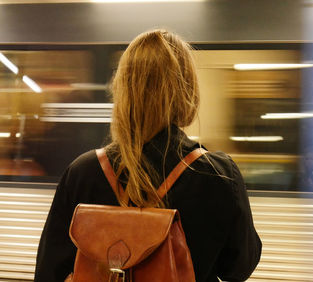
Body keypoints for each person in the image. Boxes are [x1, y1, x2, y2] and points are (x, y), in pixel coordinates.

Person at [34, 29, 262, 282]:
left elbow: (48, 271)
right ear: (187, 92)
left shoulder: (83, 172)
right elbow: (239, 267)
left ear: (123, 91)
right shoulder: (217, 173)